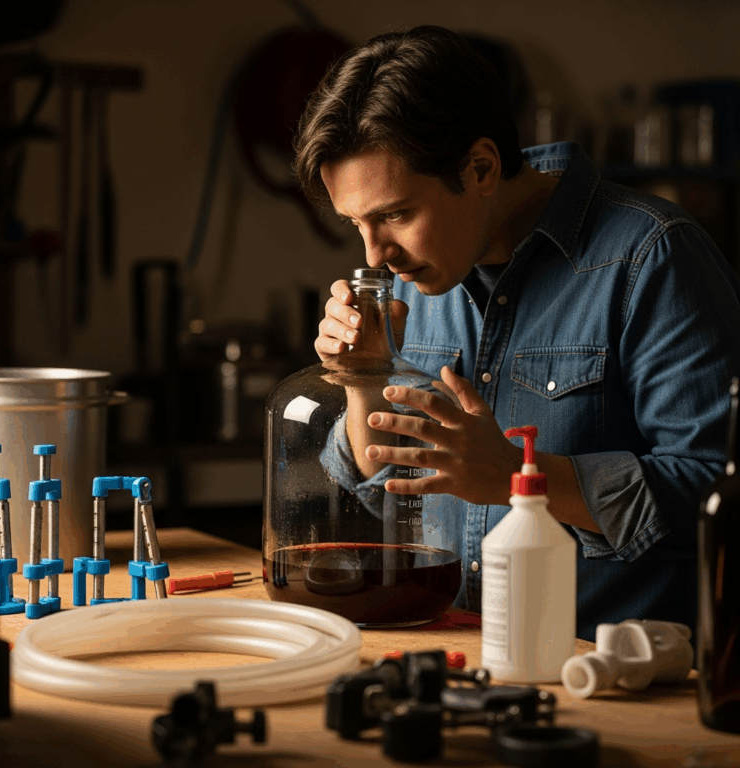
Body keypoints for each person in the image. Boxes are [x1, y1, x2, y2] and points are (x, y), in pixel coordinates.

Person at [292, 25, 740, 641]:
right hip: (463, 662)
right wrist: (366, 382)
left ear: (481, 167)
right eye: (357, 224)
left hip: (616, 683)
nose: (375, 254)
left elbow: (719, 491)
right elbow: (391, 494)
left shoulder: (652, 257)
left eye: (395, 214)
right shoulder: (413, 279)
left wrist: (517, 479)